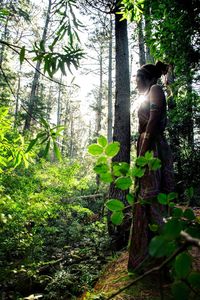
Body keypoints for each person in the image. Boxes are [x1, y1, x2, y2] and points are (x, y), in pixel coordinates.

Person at [128, 61, 174, 272]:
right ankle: (145, 259)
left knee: (153, 199)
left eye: (137, 80)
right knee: (144, 200)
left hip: (153, 147)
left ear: (146, 79)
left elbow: (154, 119)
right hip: (147, 146)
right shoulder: (146, 94)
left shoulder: (155, 89)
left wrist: (144, 150)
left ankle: (163, 260)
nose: (136, 84)